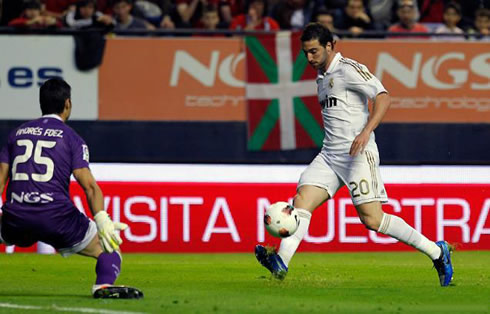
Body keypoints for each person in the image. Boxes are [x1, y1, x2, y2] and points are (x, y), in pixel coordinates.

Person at [254, 23, 454, 287]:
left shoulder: (348, 69)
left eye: (314, 51)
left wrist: (366, 131)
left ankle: (438, 252)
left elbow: (383, 96)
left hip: (358, 153)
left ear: (329, 46)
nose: (309, 58)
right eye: (305, 53)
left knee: (372, 219)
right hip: (330, 155)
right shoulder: (321, 77)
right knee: (302, 200)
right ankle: (281, 262)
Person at [0, 78, 143, 299]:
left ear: (41, 103)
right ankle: (103, 285)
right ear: (67, 104)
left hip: (16, 217)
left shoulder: (16, 134)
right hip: (57, 219)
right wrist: (102, 218)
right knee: (110, 249)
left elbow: (1, 178)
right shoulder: (72, 138)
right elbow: (89, 186)